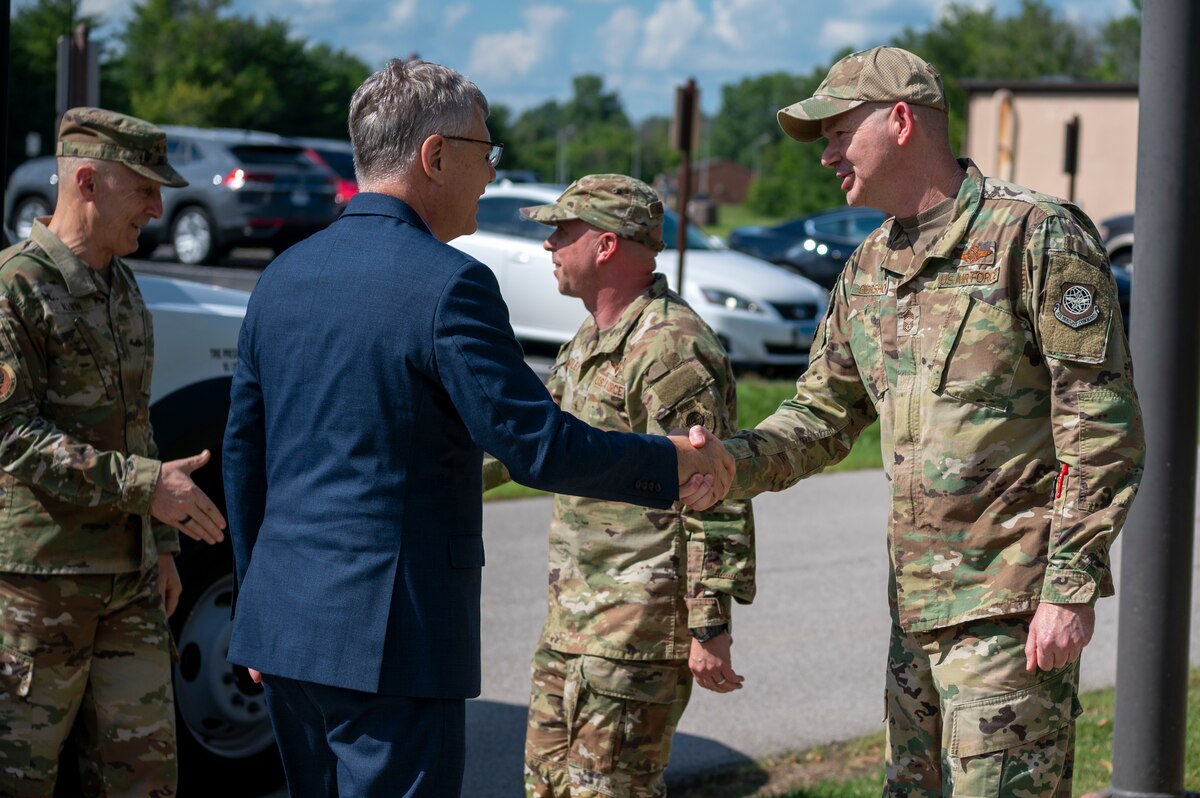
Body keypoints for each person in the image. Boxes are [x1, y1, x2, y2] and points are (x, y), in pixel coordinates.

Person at [221, 60, 732, 798]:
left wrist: (254, 607)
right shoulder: (448, 283)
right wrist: (670, 461)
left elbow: (248, 455)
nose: (492, 174)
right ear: (435, 157)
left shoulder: (283, 275)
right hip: (392, 638)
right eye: (484, 152)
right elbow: (537, 446)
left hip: (283, 629)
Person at [713, 46, 1145, 796]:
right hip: (914, 621)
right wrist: (725, 462)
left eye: (838, 132)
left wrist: (1068, 589)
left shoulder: (1033, 237)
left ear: (902, 120)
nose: (827, 156)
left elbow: (1098, 424)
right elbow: (820, 415)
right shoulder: (868, 269)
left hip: (1010, 619)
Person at [482, 174, 755, 796]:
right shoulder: (589, 339)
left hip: (637, 630)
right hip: (573, 621)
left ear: (605, 245)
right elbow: (533, 442)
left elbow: (714, 489)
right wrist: (420, 480)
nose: (549, 245)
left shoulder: (671, 350)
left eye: (562, 231)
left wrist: (709, 627)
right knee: (546, 786)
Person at [0, 108, 227, 796]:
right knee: (21, 778)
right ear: (89, 182)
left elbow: (137, 429)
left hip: (128, 582)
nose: (160, 209)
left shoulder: (123, 288)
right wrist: (145, 488)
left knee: (145, 779)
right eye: (145, 189)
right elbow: (11, 434)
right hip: (43, 585)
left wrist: (159, 544)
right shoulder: (15, 288)